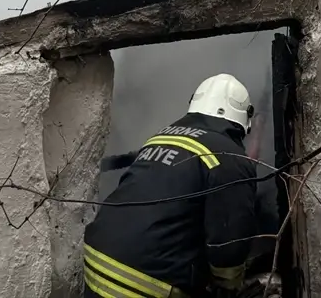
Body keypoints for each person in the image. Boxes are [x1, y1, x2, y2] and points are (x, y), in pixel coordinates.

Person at [83, 73, 260, 298]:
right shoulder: (229, 157)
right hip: (143, 281)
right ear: (244, 119)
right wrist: (229, 286)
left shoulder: (160, 137)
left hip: (96, 263)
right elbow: (230, 243)